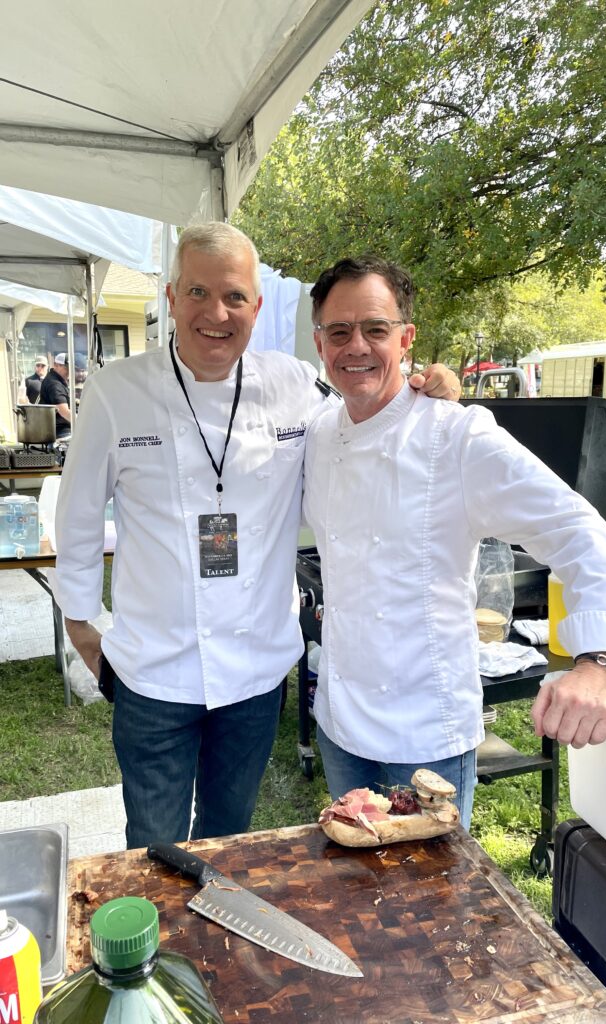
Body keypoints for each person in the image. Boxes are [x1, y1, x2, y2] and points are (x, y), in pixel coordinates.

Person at [52, 223, 461, 849]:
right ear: (169, 298)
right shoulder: (115, 394)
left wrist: (425, 389)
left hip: (255, 675)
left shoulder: (295, 384)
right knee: (154, 846)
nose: (216, 313)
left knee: (230, 842)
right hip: (153, 676)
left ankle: (210, 945)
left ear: (257, 306)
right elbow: (78, 517)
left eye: (235, 296)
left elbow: (365, 422)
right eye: (197, 292)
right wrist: (82, 625)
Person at [302, 256, 606, 829]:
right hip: (339, 720)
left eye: (375, 329)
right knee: (358, 890)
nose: (355, 345)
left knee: (429, 910)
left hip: (425, 731)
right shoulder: (318, 432)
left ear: (406, 338)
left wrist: (602, 663)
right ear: (319, 342)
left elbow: (579, 529)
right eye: (339, 331)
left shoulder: (455, 434)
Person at [38, 353, 72, 437]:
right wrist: (83, 423)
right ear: (56, 365)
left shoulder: (58, 380)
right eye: (66, 368)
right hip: (59, 431)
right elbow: (64, 411)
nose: (69, 371)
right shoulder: (54, 384)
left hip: (57, 429)